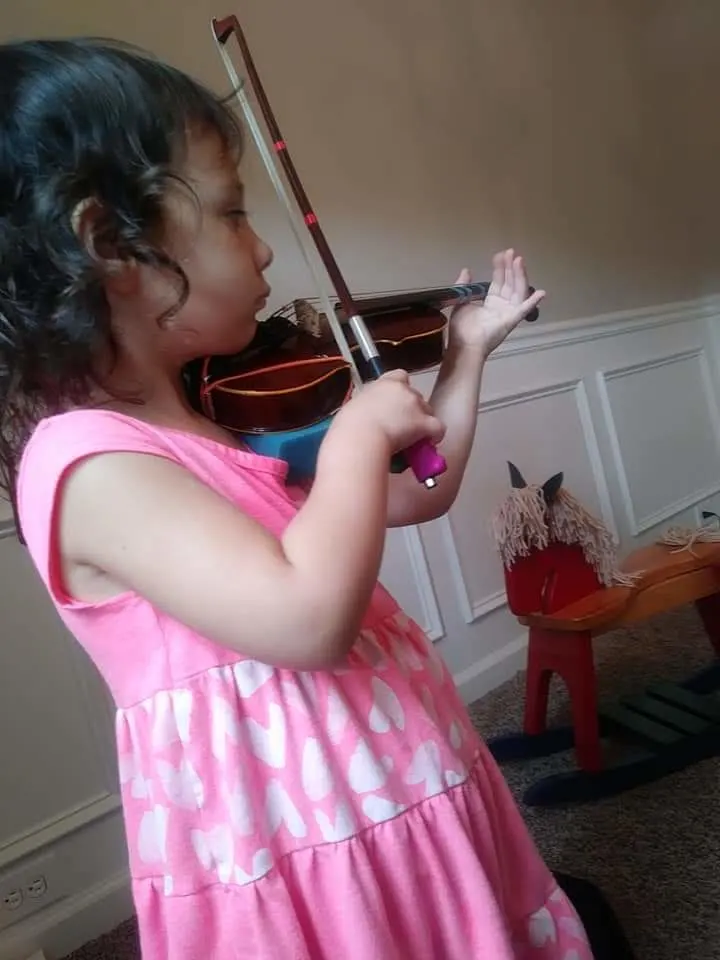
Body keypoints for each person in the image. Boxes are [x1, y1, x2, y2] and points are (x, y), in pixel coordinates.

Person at [1, 37, 594, 959]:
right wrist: (357, 431)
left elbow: (417, 497)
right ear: (111, 246)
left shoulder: (214, 423)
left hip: (394, 789)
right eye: (234, 213)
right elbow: (305, 617)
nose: (266, 244)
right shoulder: (85, 462)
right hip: (304, 848)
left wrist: (467, 351)